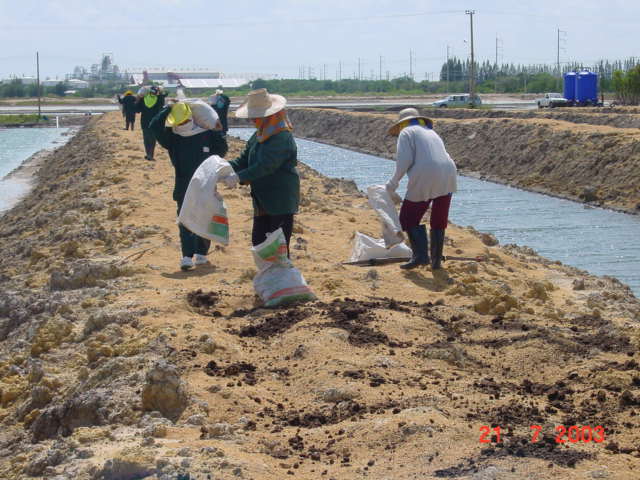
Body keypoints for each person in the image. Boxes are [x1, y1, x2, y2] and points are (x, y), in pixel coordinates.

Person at [149, 101, 228, 270]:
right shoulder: (175, 138)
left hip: (190, 186)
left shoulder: (173, 138)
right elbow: (221, 150)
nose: (184, 124)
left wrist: (167, 108)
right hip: (201, 186)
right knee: (198, 217)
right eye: (182, 121)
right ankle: (193, 255)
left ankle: (192, 255)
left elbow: (154, 125)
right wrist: (218, 132)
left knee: (187, 219)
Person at [225, 88, 299, 255]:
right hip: (263, 199)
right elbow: (244, 159)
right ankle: (270, 276)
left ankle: (282, 279)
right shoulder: (259, 134)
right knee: (259, 241)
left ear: (269, 115)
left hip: (280, 198)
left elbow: (266, 165)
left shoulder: (281, 137)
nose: (252, 120)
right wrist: (224, 168)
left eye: (256, 116)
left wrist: (238, 177)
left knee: (277, 245)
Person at [386, 108, 457, 270]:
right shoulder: (430, 132)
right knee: (439, 218)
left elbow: (404, 160)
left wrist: (393, 183)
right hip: (448, 172)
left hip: (426, 172)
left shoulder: (406, 133)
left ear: (402, 124)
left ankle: (421, 256)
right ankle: (436, 261)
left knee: (408, 218)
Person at [136, 85, 167, 161]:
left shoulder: (143, 99)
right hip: (155, 122)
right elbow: (162, 105)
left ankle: (148, 154)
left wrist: (138, 99)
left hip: (144, 122)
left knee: (146, 138)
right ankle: (151, 154)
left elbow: (137, 110)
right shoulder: (159, 99)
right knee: (153, 138)